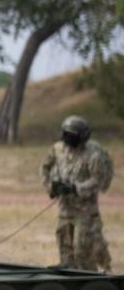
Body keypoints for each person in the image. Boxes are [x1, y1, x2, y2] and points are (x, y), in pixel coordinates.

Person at [41, 115, 114, 272]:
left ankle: (91, 282)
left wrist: (76, 188)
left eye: (73, 136)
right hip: (65, 209)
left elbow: (98, 180)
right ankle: (70, 282)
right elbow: (45, 167)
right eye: (67, 135)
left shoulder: (93, 154)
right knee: (65, 250)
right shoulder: (58, 149)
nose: (69, 139)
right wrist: (51, 187)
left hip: (85, 212)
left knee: (82, 251)